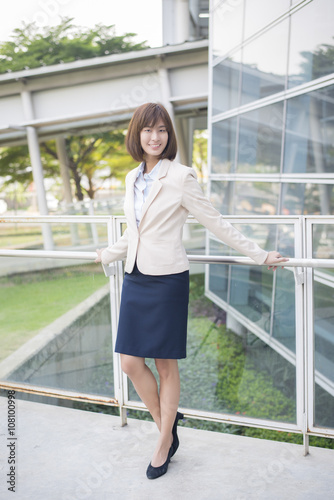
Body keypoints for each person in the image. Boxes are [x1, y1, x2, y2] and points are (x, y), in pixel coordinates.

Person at [95, 102, 288, 480]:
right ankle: (169, 422)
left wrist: (259, 253)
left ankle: (164, 441)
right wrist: (108, 254)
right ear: (136, 135)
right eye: (148, 130)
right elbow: (132, 232)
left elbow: (216, 223)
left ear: (170, 135)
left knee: (166, 365)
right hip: (136, 278)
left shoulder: (182, 176)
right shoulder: (132, 178)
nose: (155, 136)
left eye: (162, 130)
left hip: (167, 281)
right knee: (130, 363)